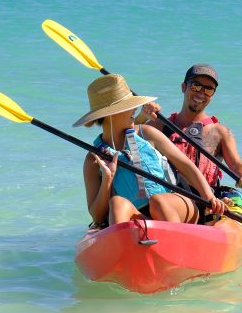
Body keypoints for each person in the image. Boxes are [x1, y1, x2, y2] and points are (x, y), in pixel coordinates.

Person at [77, 74, 227, 230]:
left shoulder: (146, 134)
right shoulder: (93, 159)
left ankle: (177, 247)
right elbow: (97, 216)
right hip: (140, 216)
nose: (135, 109)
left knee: (158, 202)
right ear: (111, 114)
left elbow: (186, 166)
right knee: (117, 203)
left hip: (176, 206)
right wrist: (107, 179)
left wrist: (210, 197)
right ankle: (130, 250)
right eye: (129, 106)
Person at [140, 63, 242, 195]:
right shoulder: (160, 125)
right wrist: (142, 117)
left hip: (204, 201)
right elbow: (124, 140)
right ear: (184, 87)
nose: (201, 93)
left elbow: (236, 164)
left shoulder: (221, 132)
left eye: (208, 89)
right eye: (196, 86)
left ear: (213, 95)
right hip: (165, 196)